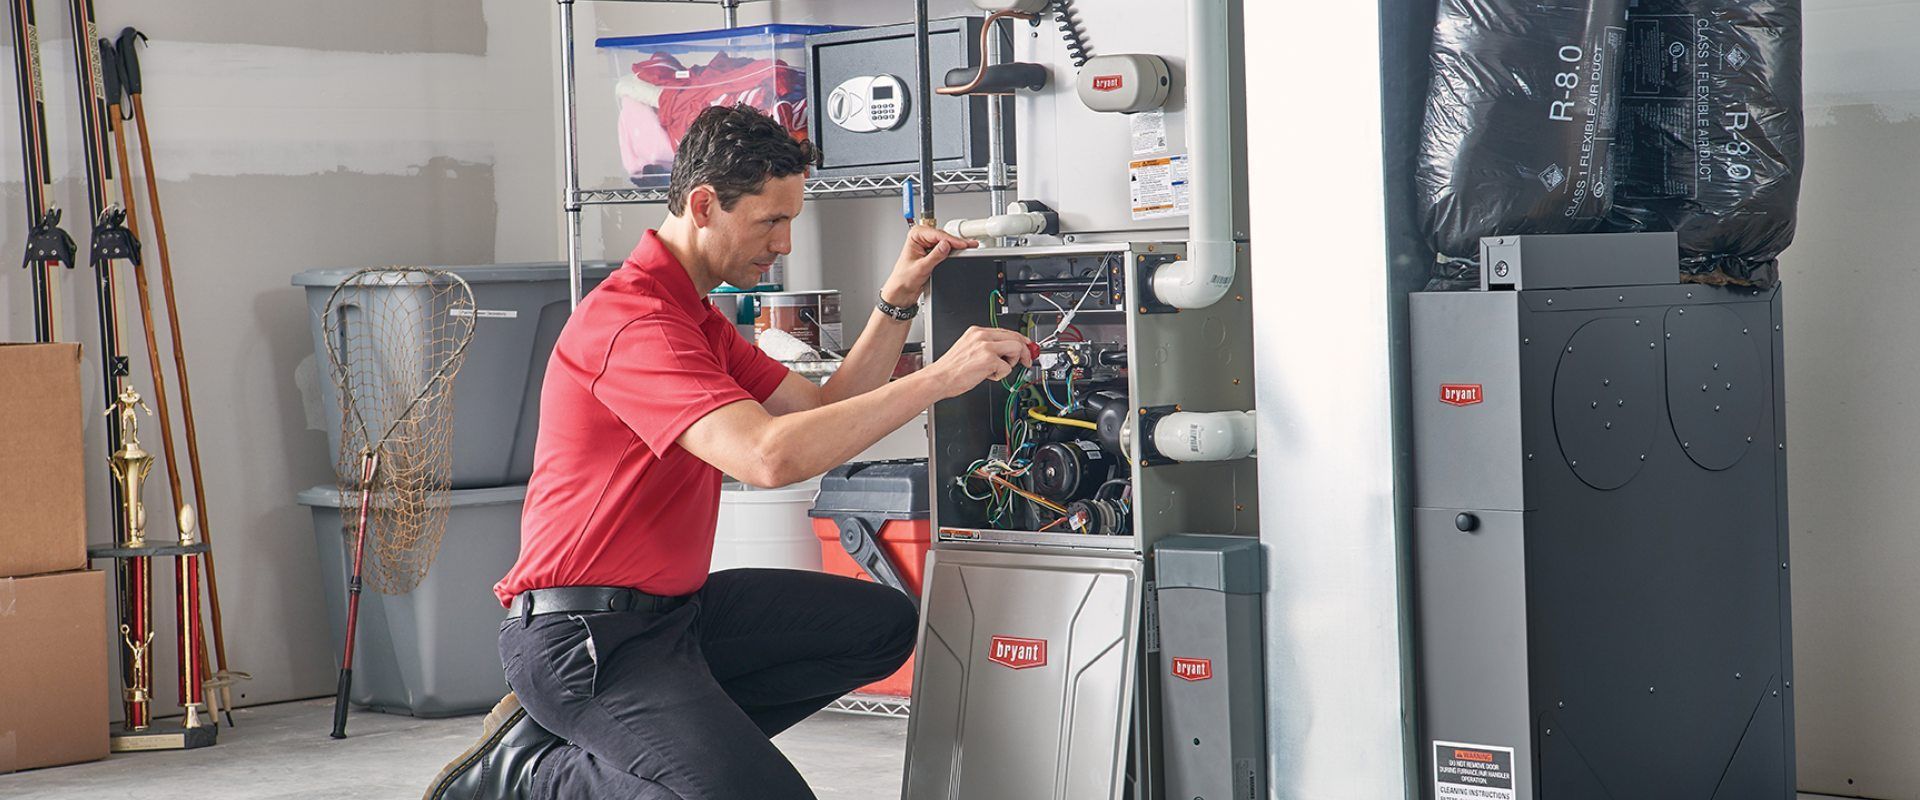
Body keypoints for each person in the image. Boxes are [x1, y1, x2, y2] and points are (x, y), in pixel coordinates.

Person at [423, 104, 1034, 800]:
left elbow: (817, 411)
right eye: (771, 221)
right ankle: (536, 776)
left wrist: (897, 299)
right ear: (704, 204)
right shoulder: (633, 323)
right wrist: (941, 378)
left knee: (879, 627)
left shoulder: (695, 317)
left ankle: (667, 759)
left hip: (676, 619)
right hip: (585, 640)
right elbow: (767, 459)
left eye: (790, 220)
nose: (784, 243)